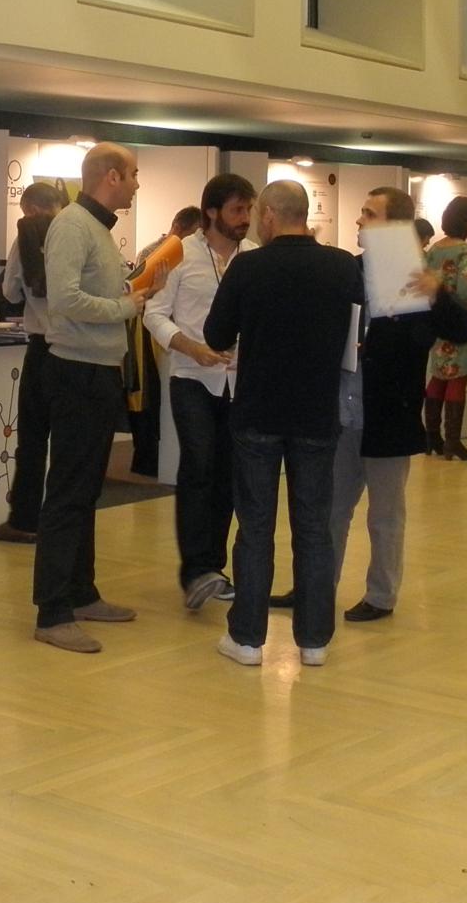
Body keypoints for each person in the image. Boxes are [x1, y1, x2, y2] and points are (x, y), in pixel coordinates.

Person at [204, 179, 363, 668]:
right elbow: (360, 330)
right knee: (314, 527)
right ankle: (314, 641)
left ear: (270, 215)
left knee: (255, 526)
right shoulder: (342, 266)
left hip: (258, 412)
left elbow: (216, 333)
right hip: (316, 412)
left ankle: (248, 639)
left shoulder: (248, 266)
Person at [331, 188, 467, 624]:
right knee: (330, 509)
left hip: (389, 414)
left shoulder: (417, 277)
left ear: (394, 225)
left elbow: (464, 328)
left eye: (369, 213)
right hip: (345, 410)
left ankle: (381, 595)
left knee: (385, 515)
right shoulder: (348, 271)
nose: (359, 220)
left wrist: (438, 294)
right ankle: (316, 585)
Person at [30, 143, 147, 654]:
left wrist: (133, 293)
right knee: (68, 492)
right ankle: (52, 611)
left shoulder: (95, 227)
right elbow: (65, 299)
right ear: (112, 177)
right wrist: (125, 306)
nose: (138, 184)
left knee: (85, 490)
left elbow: (91, 294)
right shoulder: (73, 225)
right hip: (75, 372)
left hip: (97, 371)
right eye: (134, 175)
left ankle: (80, 592)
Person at [143, 176, 251, 611]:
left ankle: (213, 568)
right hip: (191, 377)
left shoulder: (253, 257)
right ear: (212, 212)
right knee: (198, 465)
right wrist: (191, 348)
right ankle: (194, 571)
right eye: (237, 210)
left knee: (227, 473)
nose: (245, 219)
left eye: (249, 210)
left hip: (239, 384)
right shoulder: (179, 254)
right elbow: (153, 314)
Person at [0, 181, 64, 544]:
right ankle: (63, 522)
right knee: (69, 442)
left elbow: (10, 292)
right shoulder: (79, 232)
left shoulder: (27, 236)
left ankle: (24, 519)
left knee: (32, 438)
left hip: (42, 347)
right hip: (79, 348)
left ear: (30, 209)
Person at [123, 207, 201, 476]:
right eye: (193, 233)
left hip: (168, 329)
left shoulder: (186, 253)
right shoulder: (156, 252)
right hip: (147, 330)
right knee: (145, 395)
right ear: (179, 228)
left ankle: (154, 457)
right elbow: (142, 291)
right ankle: (146, 457)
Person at [424, 196, 467, 462]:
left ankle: (432, 436)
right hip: (460, 321)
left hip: (438, 320)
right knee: (458, 378)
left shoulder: (434, 250)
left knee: (438, 376)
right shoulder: (466, 251)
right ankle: (452, 441)